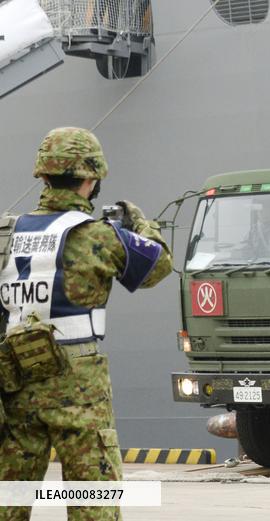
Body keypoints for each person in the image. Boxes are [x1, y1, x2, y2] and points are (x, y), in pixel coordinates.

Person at [0, 127, 173, 521]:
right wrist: (139, 223)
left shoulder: (7, 234)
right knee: (92, 500)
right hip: (79, 392)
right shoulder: (101, 235)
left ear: (42, 176)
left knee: (7, 499)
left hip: (16, 389)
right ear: (92, 179)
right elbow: (158, 266)